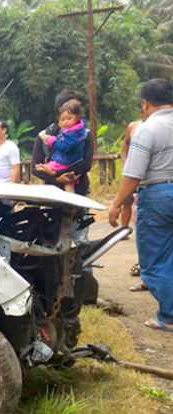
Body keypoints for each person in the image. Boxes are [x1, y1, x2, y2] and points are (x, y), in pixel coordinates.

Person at [108, 78, 173, 332]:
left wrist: (116, 204)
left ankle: (168, 316)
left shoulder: (146, 129)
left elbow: (133, 174)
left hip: (157, 196)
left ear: (145, 104)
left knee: (155, 258)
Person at [31, 91, 95, 245]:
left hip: (78, 192)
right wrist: (57, 177)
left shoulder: (85, 135)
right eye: (73, 107)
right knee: (51, 238)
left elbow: (86, 164)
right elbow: (35, 167)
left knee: (80, 238)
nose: (78, 111)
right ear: (61, 109)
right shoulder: (44, 136)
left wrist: (56, 173)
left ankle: (83, 269)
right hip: (52, 196)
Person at [34, 100, 88, 193]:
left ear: (78, 117)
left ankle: (39, 198)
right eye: (63, 119)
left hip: (64, 162)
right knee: (69, 185)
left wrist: (52, 140)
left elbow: (65, 147)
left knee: (42, 172)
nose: (66, 122)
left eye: (69, 118)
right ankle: (71, 205)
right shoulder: (78, 131)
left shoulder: (74, 134)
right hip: (72, 163)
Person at [121, 119, 147, 292]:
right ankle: (146, 271)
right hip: (138, 182)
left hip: (157, 185)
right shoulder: (134, 126)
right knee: (145, 233)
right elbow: (125, 146)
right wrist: (126, 165)